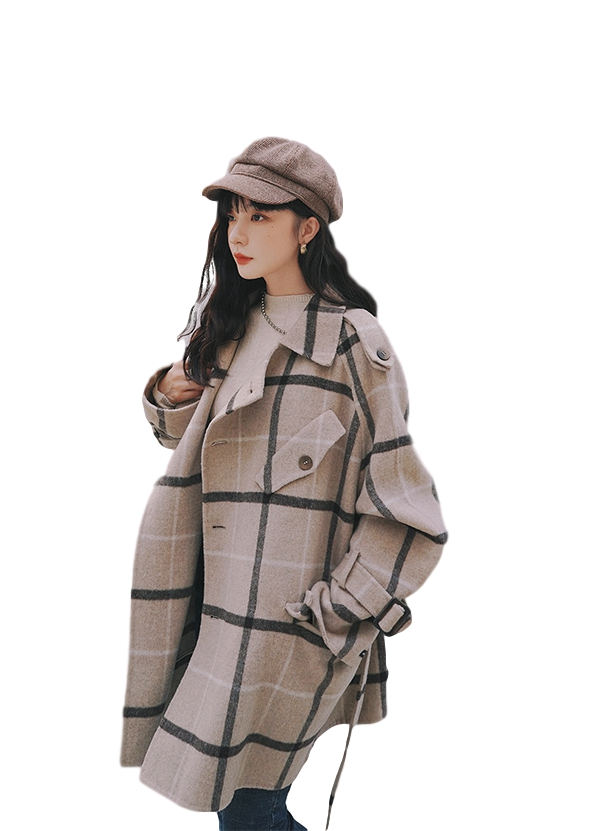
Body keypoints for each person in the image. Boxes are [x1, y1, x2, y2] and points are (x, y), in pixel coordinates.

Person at [120, 137, 448, 830]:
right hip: (210, 612)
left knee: (249, 811)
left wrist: (339, 609)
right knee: (242, 810)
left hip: (289, 628)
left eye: (260, 216)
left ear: (307, 230)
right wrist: (171, 392)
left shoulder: (353, 343)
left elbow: (407, 506)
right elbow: (205, 449)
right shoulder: (232, 331)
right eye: (232, 215)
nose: (237, 234)